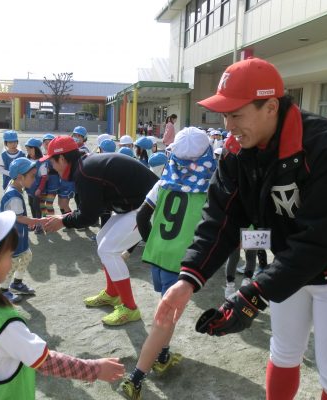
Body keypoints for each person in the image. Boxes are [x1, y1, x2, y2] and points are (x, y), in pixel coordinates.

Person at [154, 57, 327, 400]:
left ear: (271, 106)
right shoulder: (236, 152)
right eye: (224, 115)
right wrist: (189, 279)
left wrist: (252, 295)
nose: (228, 125)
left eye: (236, 114)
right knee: (284, 352)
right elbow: (220, 220)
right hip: (288, 263)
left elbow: (321, 240)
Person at [0, 207, 124, 399]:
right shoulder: (3, 323)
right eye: (10, 255)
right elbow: (46, 361)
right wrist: (95, 369)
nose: (11, 263)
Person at [120, 128, 216, 399]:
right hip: (183, 264)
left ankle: (162, 354)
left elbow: (142, 218)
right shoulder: (210, 189)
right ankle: (137, 377)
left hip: (158, 256)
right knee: (165, 320)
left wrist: (154, 244)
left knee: (167, 311)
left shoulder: (164, 181)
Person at [40, 136, 158, 325]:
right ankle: (112, 294)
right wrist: (64, 218)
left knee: (108, 250)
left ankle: (130, 308)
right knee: (102, 238)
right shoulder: (84, 166)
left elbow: (89, 217)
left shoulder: (84, 172)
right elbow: (92, 208)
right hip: (138, 203)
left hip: (149, 207)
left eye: (51, 161)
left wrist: (63, 221)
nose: (51, 167)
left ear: (62, 159)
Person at [0, 158, 39, 303]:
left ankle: (17, 283)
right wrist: (36, 221)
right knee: (12, 263)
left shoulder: (15, 186)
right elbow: (19, 218)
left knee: (27, 255)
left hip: (18, 234)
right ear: (20, 177)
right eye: (32, 176)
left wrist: (28, 223)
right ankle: (3, 290)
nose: (35, 179)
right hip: (11, 237)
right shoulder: (13, 196)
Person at [24, 138, 44, 222]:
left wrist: (39, 189)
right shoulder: (27, 160)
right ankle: (34, 223)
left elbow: (44, 177)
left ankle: (39, 225)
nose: (28, 152)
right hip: (29, 188)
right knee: (31, 204)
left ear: (36, 149)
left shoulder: (41, 162)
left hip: (37, 189)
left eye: (30, 150)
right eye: (27, 150)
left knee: (37, 206)